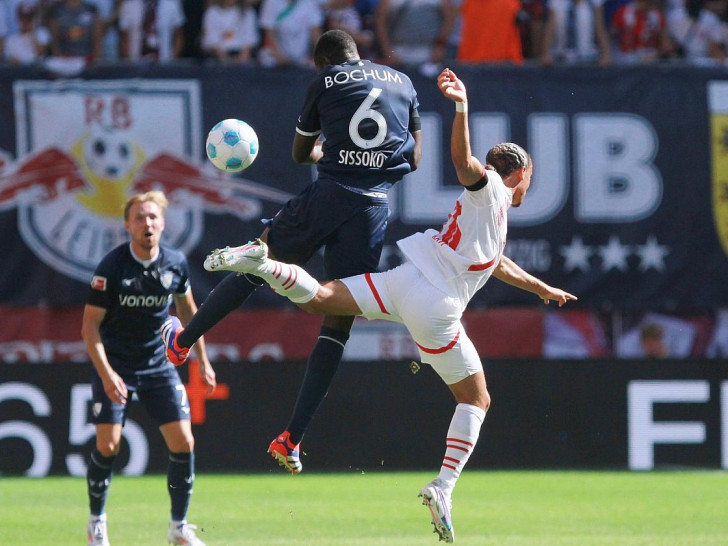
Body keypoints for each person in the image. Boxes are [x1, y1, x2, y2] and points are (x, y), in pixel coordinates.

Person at [201, 68, 577, 543]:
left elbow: (495, 262)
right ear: (520, 174)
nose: (527, 189)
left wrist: (540, 288)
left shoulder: (489, 213)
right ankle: (443, 486)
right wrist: (461, 106)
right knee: (476, 398)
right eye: (529, 181)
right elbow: (464, 165)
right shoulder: (495, 190)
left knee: (320, 298)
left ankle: (260, 262)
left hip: (405, 280)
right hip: (436, 306)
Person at [161, 29, 422, 473]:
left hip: (330, 193)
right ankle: (292, 439)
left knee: (256, 260)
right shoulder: (403, 82)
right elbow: (414, 161)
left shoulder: (327, 81)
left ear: (324, 62)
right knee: (338, 317)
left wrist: (327, 147)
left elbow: (303, 153)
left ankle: (182, 343)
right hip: (374, 208)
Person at [81, 191, 216, 546]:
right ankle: (96, 523)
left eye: (153, 217)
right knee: (108, 445)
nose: (147, 224)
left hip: (157, 364)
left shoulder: (175, 264)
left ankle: (179, 528)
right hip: (114, 365)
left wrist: (202, 358)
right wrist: (108, 374)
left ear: (163, 223)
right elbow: (89, 327)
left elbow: (189, 315)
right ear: (127, 224)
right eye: (139, 217)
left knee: (184, 441)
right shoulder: (112, 267)